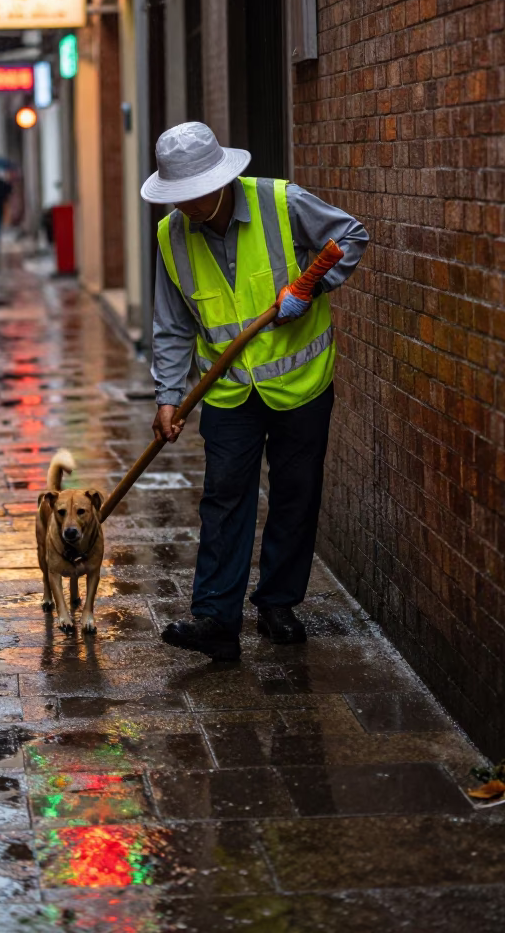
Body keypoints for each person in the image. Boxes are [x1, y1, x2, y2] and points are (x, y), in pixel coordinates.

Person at [143, 122, 368, 661]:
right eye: (180, 197)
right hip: (227, 393)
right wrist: (168, 395)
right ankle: (216, 618)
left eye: (196, 194)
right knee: (223, 499)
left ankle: (277, 605)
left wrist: (309, 289)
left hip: (300, 384)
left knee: (296, 494)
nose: (190, 206)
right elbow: (172, 324)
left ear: (221, 179)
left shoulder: (281, 201)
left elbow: (352, 236)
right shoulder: (171, 234)